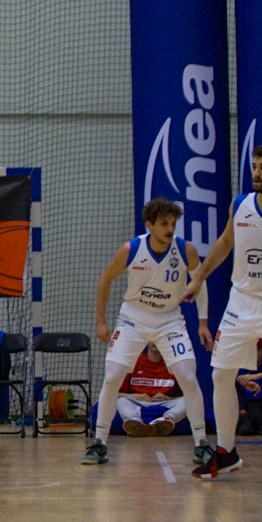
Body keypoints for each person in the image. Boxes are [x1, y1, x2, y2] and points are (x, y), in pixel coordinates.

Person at [184, 143, 262, 480]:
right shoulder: (240, 205)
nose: (257, 173)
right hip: (242, 303)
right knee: (221, 375)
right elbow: (224, 243)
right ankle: (226, 452)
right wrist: (198, 279)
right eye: (254, 166)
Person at [84, 197, 212, 465]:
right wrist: (101, 321)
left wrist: (202, 322)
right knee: (112, 377)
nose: (170, 229)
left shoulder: (185, 249)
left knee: (188, 377)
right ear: (149, 225)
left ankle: (201, 443)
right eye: (164, 223)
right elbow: (105, 280)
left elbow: (199, 282)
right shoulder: (130, 249)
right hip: (134, 318)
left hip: (170, 320)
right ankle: (99, 443)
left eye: (173, 223)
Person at [115, 345, 187, 437]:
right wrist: (135, 396)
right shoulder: (134, 361)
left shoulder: (173, 364)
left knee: (187, 401)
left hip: (164, 402)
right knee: (121, 401)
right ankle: (133, 422)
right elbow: (116, 394)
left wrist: (168, 397)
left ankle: (167, 420)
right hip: (138, 401)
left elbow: (182, 394)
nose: (155, 343)